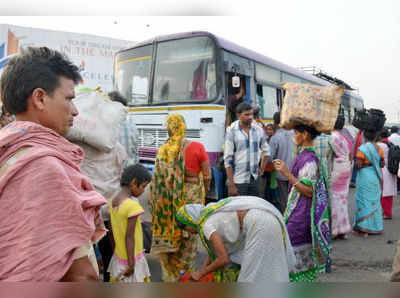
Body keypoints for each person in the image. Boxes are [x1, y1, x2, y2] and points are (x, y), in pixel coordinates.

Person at [0, 47, 107, 281]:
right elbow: (82, 277)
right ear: (39, 98)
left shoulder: (8, 148)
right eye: (69, 98)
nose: (75, 111)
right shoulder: (45, 168)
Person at [149, 113, 211, 282]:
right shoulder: (197, 146)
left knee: (172, 228)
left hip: (167, 201)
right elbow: (207, 176)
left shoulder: (163, 150)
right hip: (192, 196)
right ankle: (184, 274)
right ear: (183, 127)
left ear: (168, 129)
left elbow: (157, 180)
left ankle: (170, 275)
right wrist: (206, 189)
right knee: (190, 233)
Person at [176, 196, 296, 283]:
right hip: (266, 218)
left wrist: (201, 273)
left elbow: (223, 259)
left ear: (190, 221)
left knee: (250, 276)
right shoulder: (210, 211)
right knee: (271, 268)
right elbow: (215, 251)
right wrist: (202, 270)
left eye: (187, 228)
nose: (191, 233)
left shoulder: (206, 225)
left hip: (260, 224)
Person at [274, 124, 331, 282]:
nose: (293, 137)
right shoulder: (305, 155)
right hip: (300, 212)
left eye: (295, 133)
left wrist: (287, 173)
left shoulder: (309, 160)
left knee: (295, 256)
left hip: (301, 215)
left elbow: (308, 191)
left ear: (305, 134)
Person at [108, 164, 152, 282]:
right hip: (132, 258)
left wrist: (115, 252)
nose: (143, 191)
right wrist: (131, 264)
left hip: (118, 256)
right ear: (133, 182)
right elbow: (129, 237)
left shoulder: (113, 202)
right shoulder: (133, 206)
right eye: (143, 186)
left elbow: (111, 232)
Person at [224, 102, 270, 197]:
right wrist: (231, 185)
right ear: (238, 115)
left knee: (254, 209)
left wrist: (261, 169)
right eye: (247, 114)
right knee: (239, 210)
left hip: (254, 180)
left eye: (251, 114)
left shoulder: (258, 130)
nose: (250, 117)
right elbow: (228, 160)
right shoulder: (231, 131)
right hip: (238, 181)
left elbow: (266, 151)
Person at [353, 129, 385, 238]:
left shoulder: (362, 149)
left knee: (363, 201)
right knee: (374, 202)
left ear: (365, 137)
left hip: (365, 177)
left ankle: (363, 230)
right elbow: (382, 164)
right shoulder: (379, 148)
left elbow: (358, 164)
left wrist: (361, 164)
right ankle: (376, 227)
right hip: (375, 177)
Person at [331, 114, 352, 239]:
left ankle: (334, 230)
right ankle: (343, 229)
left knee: (334, 200)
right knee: (342, 199)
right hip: (346, 168)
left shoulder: (332, 137)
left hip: (336, 169)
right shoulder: (344, 138)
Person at [269, 111, 294, 213]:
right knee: (294, 198)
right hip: (294, 172)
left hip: (282, 173)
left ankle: (286, 221)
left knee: (284, 199)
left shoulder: (275, 138)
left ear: (275, 123)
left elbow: (270, 157)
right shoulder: (295, 133)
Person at [108, 91, 139, 168]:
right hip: (130, 171)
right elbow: (135, 153)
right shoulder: (132, 126)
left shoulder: (107, 127)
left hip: (114, 173)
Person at [378, 128, 397, 220]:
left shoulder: (380, 145)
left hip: (383, 169)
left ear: (380, 136)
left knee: (383, 193)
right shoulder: (390, 144)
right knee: (389, 193)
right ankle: (387, 212)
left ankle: (386, 213)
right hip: (391, 170)